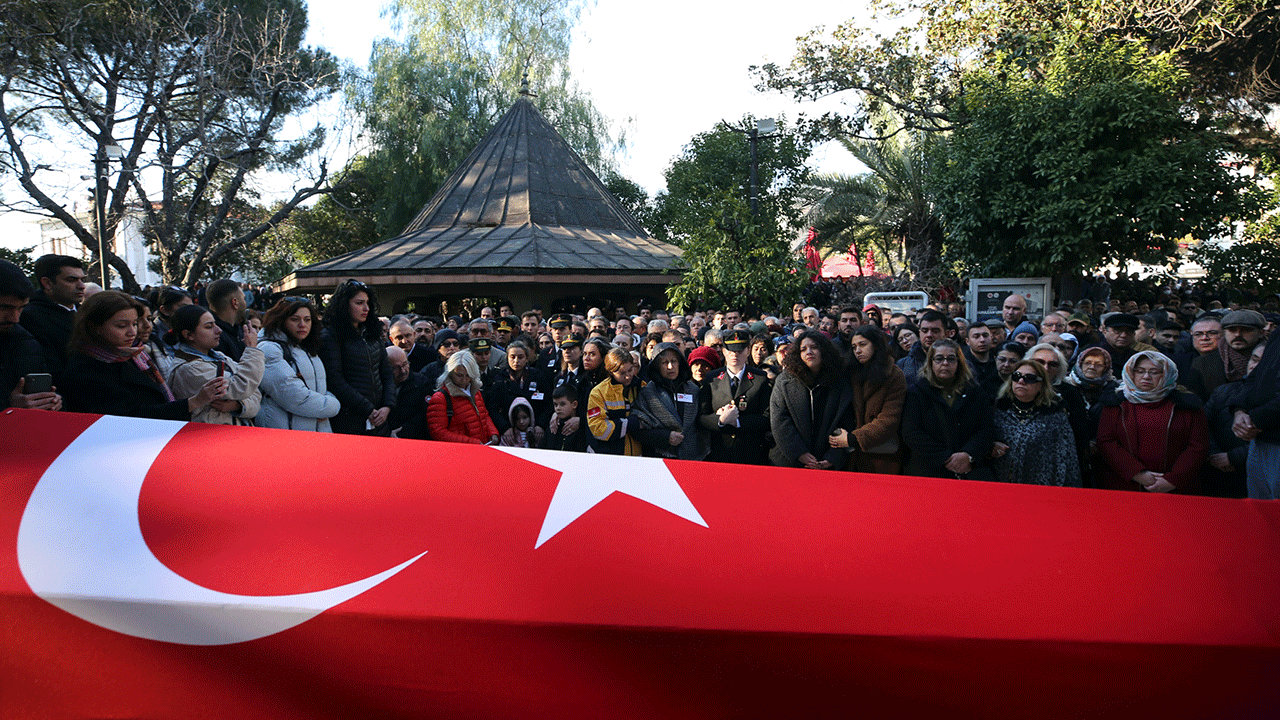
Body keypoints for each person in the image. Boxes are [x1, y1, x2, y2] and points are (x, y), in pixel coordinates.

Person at [62, 291, 224, 420]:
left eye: (134, 324)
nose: (132, 332)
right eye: (121, 325)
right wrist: (194, 402)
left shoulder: (134, 355)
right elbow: (130, 416)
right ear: (94, 326)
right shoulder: (86, 370)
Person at [1096, 351, 1208, 494]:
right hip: (1125, 486)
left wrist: (1173, 480)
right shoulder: (1116, 402)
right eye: (1140, 371)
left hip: (1175, 489)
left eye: (1154, 372)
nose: (1146, 377)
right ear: (1131, 373)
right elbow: (1106, 441)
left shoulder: (1186, 405)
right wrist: (1137, 474)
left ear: (1167, 374)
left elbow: (1198, 446)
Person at [901, 339, 995, 480]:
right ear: (931, 362)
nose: (945, 363)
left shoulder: (975, 392)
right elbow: (911, 432)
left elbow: (986, 428)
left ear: (959, 362)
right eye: (939, 359)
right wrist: (945, 458)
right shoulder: (916, 393)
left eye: (951, 359)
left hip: (969, 469)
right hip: (928, 469)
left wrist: (967, 455)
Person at [166, 303, 264, 426]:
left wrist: (238, 405)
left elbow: (254, 391)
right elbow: (243, 386)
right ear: (188, 335)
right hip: (210, 438)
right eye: (209, 327)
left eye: (215, 324)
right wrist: (252, 349)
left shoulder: (219, 356)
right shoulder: (190, 369)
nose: (219, 330)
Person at [320, 279, 395, 435]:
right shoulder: (331, 335)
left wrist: (387, 406)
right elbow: (334, 379)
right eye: (359, 303)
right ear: (344, 305)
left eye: (367, 303)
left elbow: (386, 373)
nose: (366, 308)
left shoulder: (372, 332)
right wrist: (368, 409)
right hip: (349, 420)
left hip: (379, 418)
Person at [990, 359, 1081, 486]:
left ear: (1041, 385)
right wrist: (990, 446)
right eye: (1016, 376)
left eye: (1029, 378)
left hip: (1040, 484)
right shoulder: (997, 408)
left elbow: (1068, 458)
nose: (1021, 381)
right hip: (999, 482)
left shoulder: (1054, 414)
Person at [829, 325, 906, 474]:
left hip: (880, 456)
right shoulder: (850, 372)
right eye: (854, 346)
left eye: (863, 344)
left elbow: (889, 419)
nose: (857, 350)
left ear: (876, 345)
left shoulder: (894, 375)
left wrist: (854, 438)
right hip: (849, 454)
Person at [769, 330, 852, 469]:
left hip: (826, 461)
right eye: (803, 349)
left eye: (814, 347)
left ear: (825, 351)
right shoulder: (784, 381)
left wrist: (833, 457)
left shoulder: (839, 383)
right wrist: (799, 453)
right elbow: (779, 420)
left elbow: (845, 422)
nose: (809, 352)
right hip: (789, 460)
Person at [255, 298, 339, 432]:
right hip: (283, 437)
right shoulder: (270, 349)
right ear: (281, 320)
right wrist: (332, 406)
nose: (302, 324)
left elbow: (319, 389)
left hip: (312, 434)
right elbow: (293, 396)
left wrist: (328, 401)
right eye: (295, 319)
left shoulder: (307, 349)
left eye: (307, 319)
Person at [699, 329, 772, 465]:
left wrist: (737, 422)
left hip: (750, 452)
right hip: (719, 451)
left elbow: (767, 417)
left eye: (739, 351)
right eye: (731, 351)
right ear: (724, 351)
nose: (735, 355)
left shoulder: (759, 378)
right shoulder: (712, 378)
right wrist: (720, 420)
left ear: (748, 351)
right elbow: (701, 416)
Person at [1202, 341, 1264, 498]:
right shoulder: (1224, 391)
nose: (1255, 367)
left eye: (1263, 362)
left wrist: (1233, 458)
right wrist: (1214, 454)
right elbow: (1202, 424)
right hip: (1215, 473)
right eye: (1254, 359)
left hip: (1258, 476)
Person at [0, 259, 60, 411]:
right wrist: (9, 408)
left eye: (21, 308)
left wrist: (52, 402)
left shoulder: (25, 343)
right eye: (4, 307)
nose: (15, 318)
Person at [632, 342, 708, 461]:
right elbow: (637, 430)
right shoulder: (647, 393)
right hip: (660, 459)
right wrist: (665, 437)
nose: (670, 367)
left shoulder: (693, 389)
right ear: (656, 366)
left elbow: (702, 423)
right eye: (664, 363)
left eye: (674, 361)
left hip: (693, 458)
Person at [20, 254, 86, 382]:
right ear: (47, 283)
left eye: (82, 279)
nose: (81, 285)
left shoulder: (87, 312)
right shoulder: (31, 317)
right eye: (71, 280)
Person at [1186, 309, 1265, 400]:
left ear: (1261, 333)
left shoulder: (1273, 357)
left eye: (1246, 330)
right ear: (1225, 332)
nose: (1237, 335)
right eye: (1232, 330)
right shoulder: (1202, 363)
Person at [426, 349, 498, 444]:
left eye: (468, 375)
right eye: (459, 375)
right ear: (450, 373)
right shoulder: (441, 398)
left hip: (481, 447)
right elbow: (438, 432)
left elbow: (484, 415)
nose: (464, 380)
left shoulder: (475, 391)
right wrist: (471, 443)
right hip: (459, 452)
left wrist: (493, 433)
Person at [587, 347, 642, 455]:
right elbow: (598, 428)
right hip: (607, 457)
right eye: (622, 373)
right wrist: (631, 423)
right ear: (611, 372)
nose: (628, 376)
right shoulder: (598, 393)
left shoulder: (642, 386)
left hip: (636, 456)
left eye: (630, 370)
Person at [205, 278, 249, 362]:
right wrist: (252, 349)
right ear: (235, 303)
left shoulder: (237, 330)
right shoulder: (215, 338)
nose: (245, 303)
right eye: (243, 299)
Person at [1065, 347, 1118, 412]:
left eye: (1098, 365)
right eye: (1087, 363)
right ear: (1080, 364)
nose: (1092, 367)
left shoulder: (1113, 389)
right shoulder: (1066, 384)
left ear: (1105, 369)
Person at [546, 383, 587, 452]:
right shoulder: (552, 427)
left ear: (574, 404)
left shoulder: (581, 430)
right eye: (555, 405)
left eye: (562, 404)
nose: (558, 408)